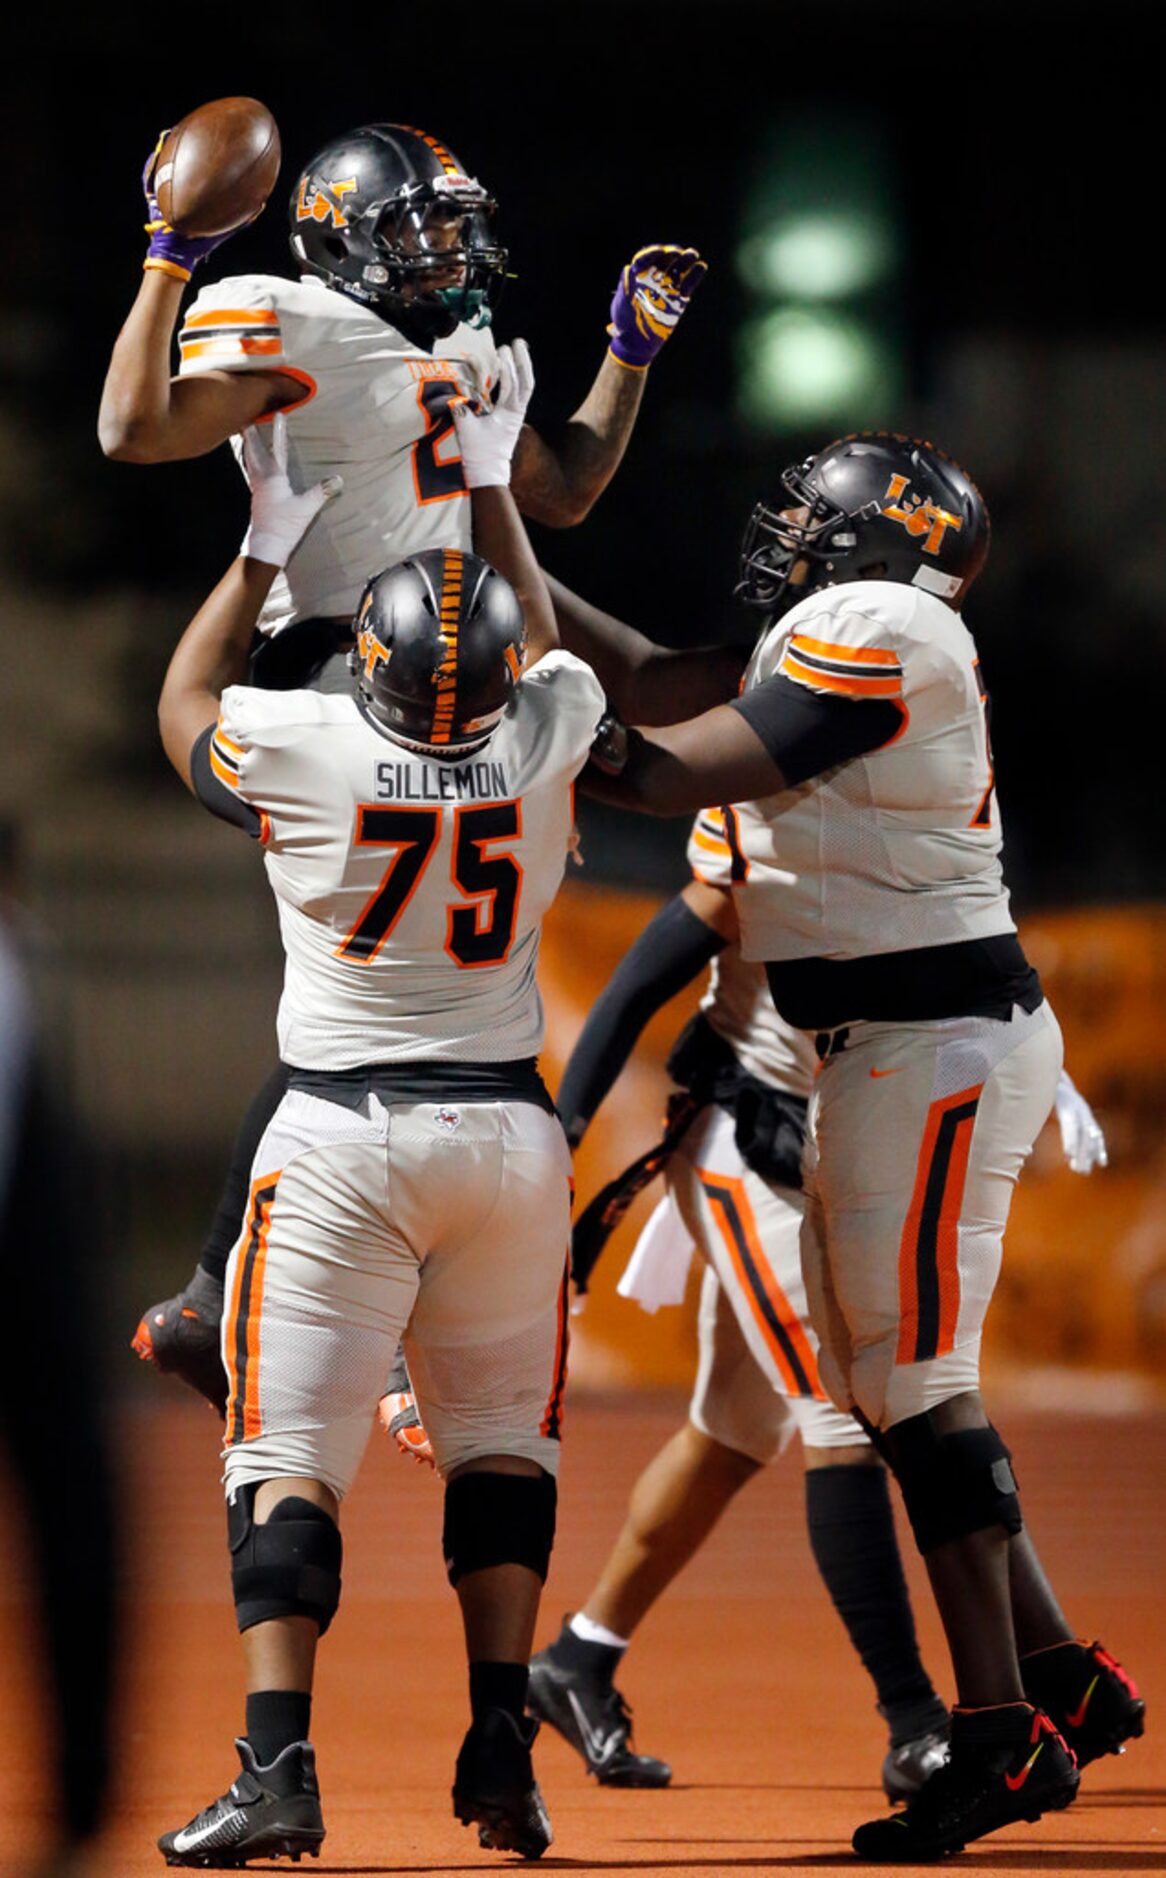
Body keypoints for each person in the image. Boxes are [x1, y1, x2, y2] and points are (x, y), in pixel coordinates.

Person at [560, 430, 1144, 1861]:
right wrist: (492, 568)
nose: (783, 539)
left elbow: (659, 765)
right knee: (882, 1384)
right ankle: (1048, 1684)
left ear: (871, 543)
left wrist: (492, 718)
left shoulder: (876, 624)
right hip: (882, 1050)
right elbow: (644, 683)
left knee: (903, 1383)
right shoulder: (843, 629)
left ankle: (1001, 1730)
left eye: (806, 520)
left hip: (927, 1044)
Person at [98, 118, 706, 1411]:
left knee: (660, 693)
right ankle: (322, 1311)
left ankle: (250, 1299)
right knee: (392, 1015)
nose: (452, 247)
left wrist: (628, 356)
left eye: (453, 221)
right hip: (346, 671)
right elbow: (136, 427)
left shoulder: (466, 340)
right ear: (340, 239)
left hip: (473, 652)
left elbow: (564, 490)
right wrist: (169, 258)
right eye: (420, 226)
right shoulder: (285, 318)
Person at [151, 352, 605, 1865]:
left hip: (342, 1132)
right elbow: (546, 651)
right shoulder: (542, 742)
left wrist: (264, 543)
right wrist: (489, 485)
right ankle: (500, 1749)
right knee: (501, 1453)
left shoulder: (315, 744)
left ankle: (278, 1768)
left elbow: (185, 708)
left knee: (286, 1454)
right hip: (507, 1138)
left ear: (376, 667)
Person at [527, 846, 951, 1801]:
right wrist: (564, 1133)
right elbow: (646, 972)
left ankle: (579, 1658)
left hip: (840, 1144)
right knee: (846, 1419)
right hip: (755, 1141)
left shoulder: (940, 792)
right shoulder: (788, 797)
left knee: (732, 1432)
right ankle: (915, 1723)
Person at [1, 824, 119, 1877]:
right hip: (30, 1298)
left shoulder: (23, 963)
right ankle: (80, 1801)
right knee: (75, 1512)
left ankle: (81, 1800)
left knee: (77, 1514)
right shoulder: (20, 958)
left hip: (30, 1293)